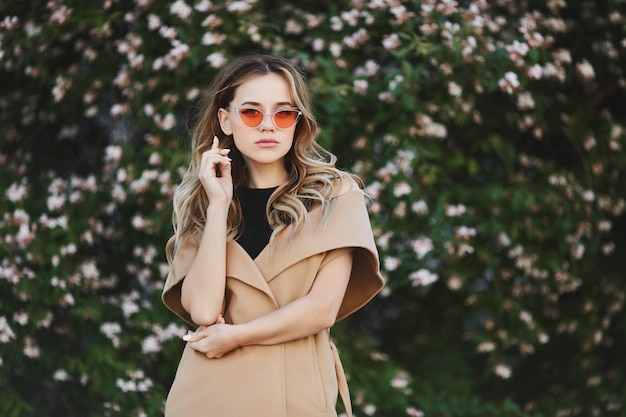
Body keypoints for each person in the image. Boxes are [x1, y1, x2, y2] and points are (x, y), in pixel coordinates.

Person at [162, 54, 384, 417]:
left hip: (294, 397)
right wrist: (218, 206)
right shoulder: (205, 206)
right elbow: (203, 310)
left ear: (297, 123)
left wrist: (235, 336)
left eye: (283, 114)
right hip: (208, 398)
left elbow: (321, 310)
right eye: (251, 112)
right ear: (225, 120)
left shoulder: (335, 196)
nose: (268, 126)